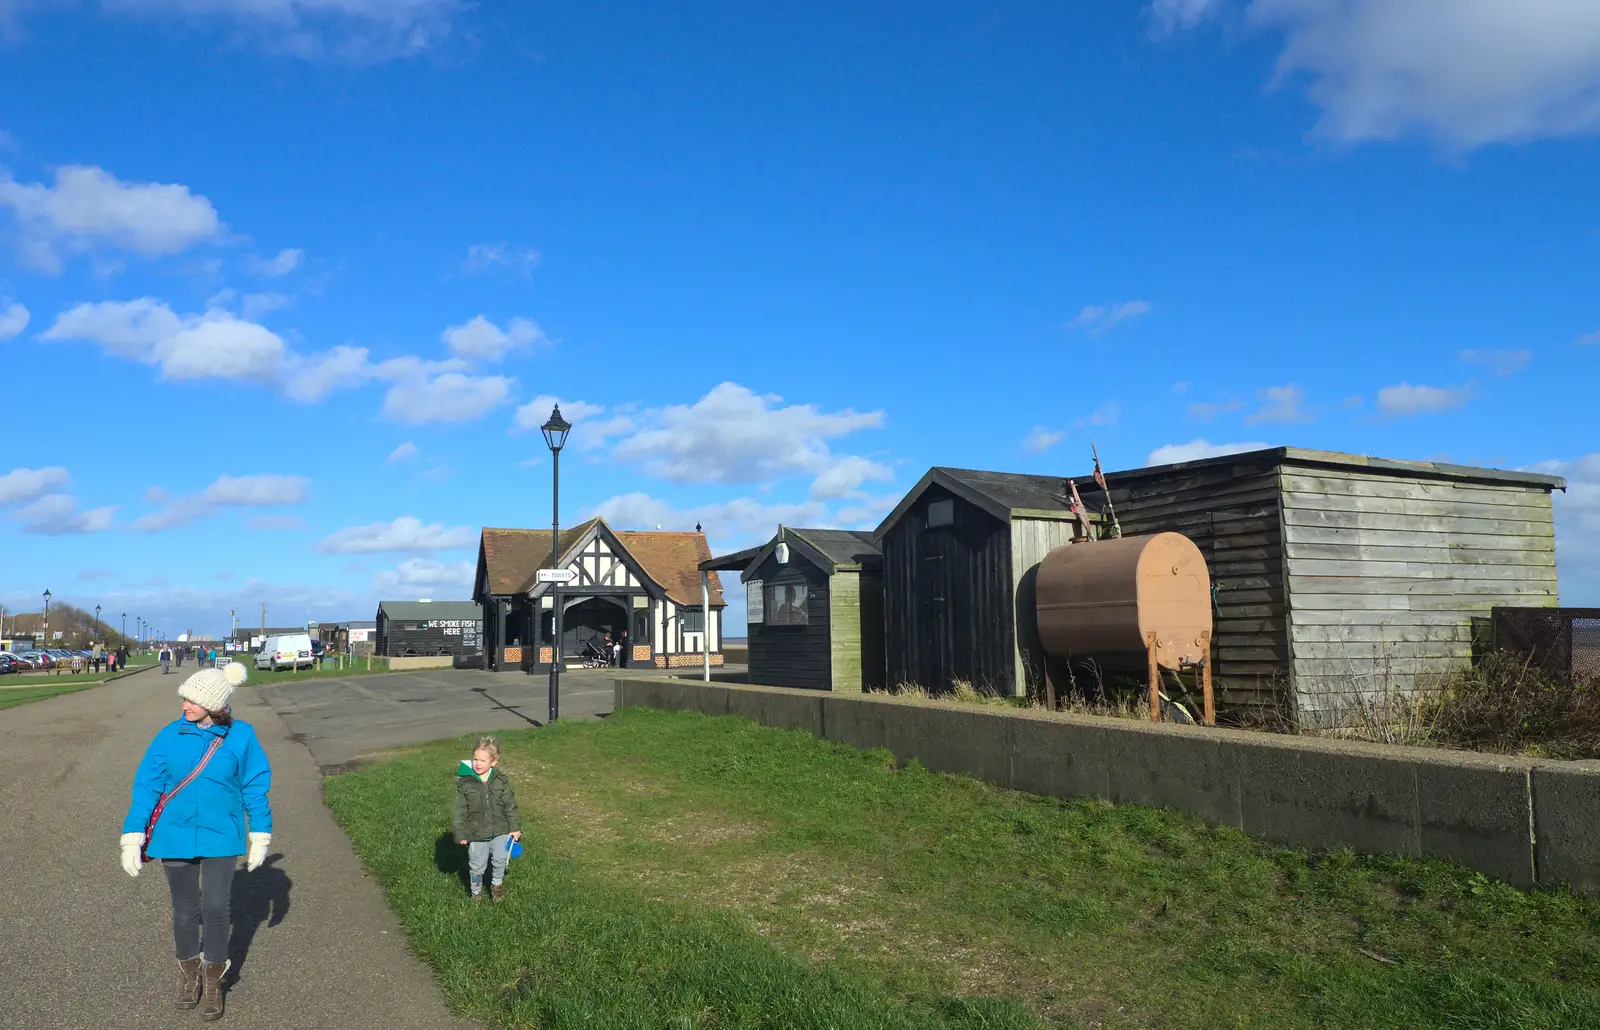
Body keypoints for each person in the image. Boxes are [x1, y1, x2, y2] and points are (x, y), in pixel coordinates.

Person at [120, 662, 272, 1022]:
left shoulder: (243, 736)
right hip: (174, 835)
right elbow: (147, 787)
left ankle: (214, 979)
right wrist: (132, 835)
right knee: (185, 910)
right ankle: (190, 977)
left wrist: (260, 834)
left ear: (214, 703)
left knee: (216, 908)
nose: (184, 706)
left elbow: (255, 785)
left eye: (191, 700)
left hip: (222, 834)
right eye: (183, 699)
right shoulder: (169, 735)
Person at [452, 736, 521, 902]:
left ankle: (496, 886)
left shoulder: (501, 781)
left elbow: (510, 805)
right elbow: (459, 810)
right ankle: (476, 894)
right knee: (477, 865)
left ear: (494, 762)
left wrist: (514, 827)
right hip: (476, 832)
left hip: (500, 829)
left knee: (500, 859)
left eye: (483, 760)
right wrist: (460, 833)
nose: (477, 763)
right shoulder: (465, 784)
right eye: (475, 759)